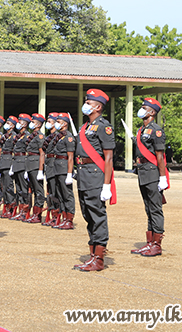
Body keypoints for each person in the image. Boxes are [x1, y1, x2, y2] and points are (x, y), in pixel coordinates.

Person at [74, 89, 115, 272]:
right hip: (84, 175)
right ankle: (93, 255)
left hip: (96, 176)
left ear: (98, 107)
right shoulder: (85, 127)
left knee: (97, 216)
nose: (86, 105)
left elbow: (108, 158)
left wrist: (106, 185)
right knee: (87, 215)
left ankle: (98, 258)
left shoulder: (103, 126)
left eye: (89, 103)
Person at [131, 97, 168, 257]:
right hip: (143, 171)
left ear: (152, 112)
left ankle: (157, 245)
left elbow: (160, 156)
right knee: (148, 208)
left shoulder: (156, 130)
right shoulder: (142, 130)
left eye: (145, 107)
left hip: (153, 172)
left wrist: (162, 177)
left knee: (155, 208)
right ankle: (149, 242)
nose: (142, 109)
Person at [51, 113, 76, 230]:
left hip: (64, 168)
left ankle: (69, 220)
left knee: (67, 195)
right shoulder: (59, 136)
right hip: (57, 167)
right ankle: (64, 217)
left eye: (59, 121)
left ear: (65, 123)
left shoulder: (69, 137)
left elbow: (70, 157)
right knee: (60, 195)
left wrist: (69, 174)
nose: (57, 123)